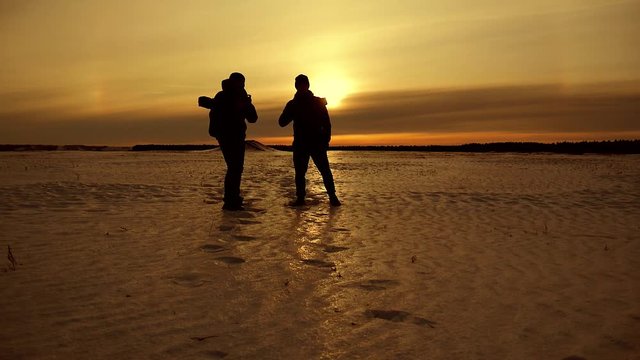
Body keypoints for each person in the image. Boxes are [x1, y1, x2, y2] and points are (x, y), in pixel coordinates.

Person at [279, 74, 341, 207]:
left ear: (307, 85)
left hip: (317, 143)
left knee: (325, 171)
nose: (301, 87)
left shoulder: (317, 102)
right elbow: (282, 122)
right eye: (299, 84)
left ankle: (333, 196)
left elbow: (327, 124)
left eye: (303, 84)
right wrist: (291, 110)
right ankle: (300, 198)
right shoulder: (293, 104)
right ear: (296, 86)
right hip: (301, 144)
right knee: (300, 173)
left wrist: (325, 140)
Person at [209, 72, 258, 210]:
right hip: (227, 137)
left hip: (236, 136)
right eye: (240, 82)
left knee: (235, 168)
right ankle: (231, 200)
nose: (241, 85)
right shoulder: (223, 96)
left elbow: (253, 118)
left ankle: (233, 198)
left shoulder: (240, 97)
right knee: (234, 168)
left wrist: (247, 104)